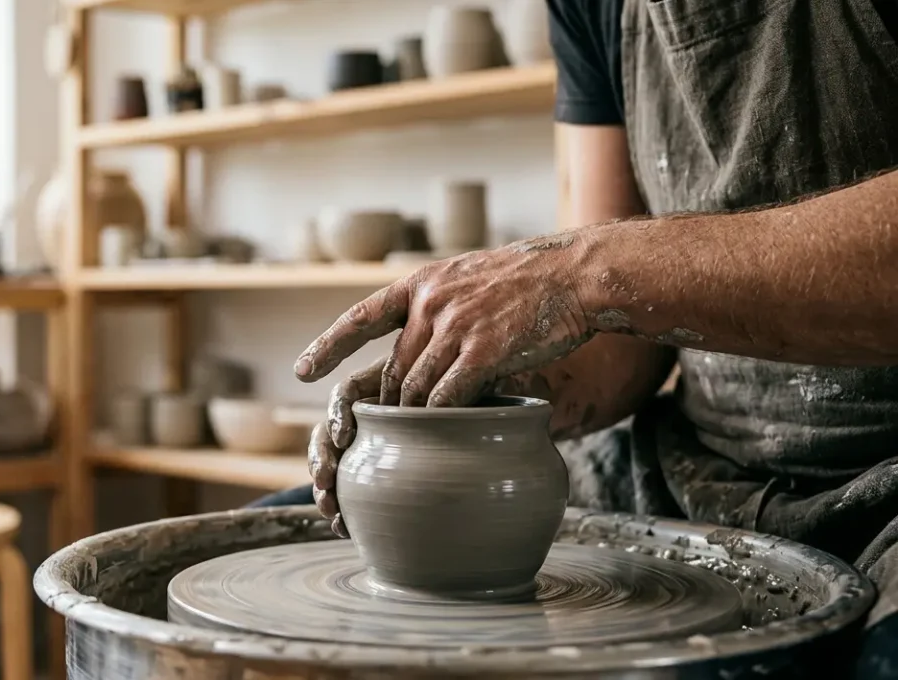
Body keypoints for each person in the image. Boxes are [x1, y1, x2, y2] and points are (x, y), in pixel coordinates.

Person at [247, 0, 898, 674]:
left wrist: (582, 272)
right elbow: (618, 340)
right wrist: (481, 381)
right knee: (259, 557)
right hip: (695, 462)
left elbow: (597, 283)